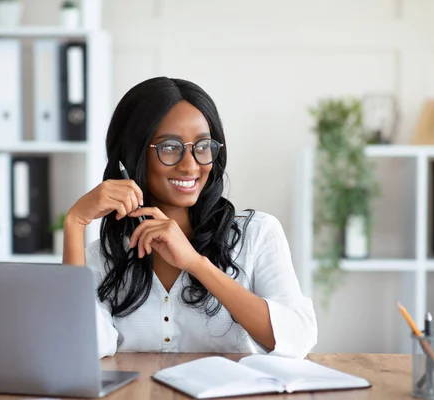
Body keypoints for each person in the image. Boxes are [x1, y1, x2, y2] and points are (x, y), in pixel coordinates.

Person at [63, 77, 317, 358]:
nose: (190, 165)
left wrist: (196, 264)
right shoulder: (104, 256)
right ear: (133, 154)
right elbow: (78, 346)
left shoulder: (257, 234)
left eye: (203, 146)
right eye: (169, 147)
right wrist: (74, 223)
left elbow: (298, 338)